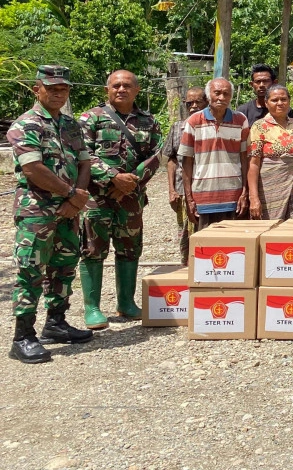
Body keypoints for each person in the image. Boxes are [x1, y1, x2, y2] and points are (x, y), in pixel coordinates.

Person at [8, 66, 92, 363]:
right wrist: (71, 195)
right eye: (52, 88)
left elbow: (84, 163)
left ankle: (55, 323)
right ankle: (22, 337)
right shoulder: (25, 125)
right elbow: (33, 169)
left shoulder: (70, 125)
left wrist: (77, 200)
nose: (58, 93)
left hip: (69, 210)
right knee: (31, 270)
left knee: (64, 266)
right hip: (37, 212)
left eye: (64, 89)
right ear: (37, 89)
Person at [79, 69, 163, 328]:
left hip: (131, 198)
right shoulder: (90, 118)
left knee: (130, 248)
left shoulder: (148, 121)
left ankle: (126, 302)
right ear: (107, 89)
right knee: (93, 249)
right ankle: (92, 308)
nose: (121, 89)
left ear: (137, 90)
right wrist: (114, 177)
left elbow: (157, 154)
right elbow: (82, 154)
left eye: (127, 85)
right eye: (115, 85)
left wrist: (131, 183)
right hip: (97, 198)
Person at [179, 78, 250, 228]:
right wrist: (189, 198)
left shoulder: (240, 120)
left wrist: (244, 192)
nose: (221, 98)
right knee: (205, 245)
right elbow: (187, 162)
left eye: (226, 94)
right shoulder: (193, 121)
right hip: (203, 196)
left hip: (233, 196)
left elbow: (245, 159)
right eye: (217, 93)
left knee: (232, 246)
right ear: (208, 95)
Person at [247, 84, 293, 220]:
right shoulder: (259, 126)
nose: (280, 103)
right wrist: (254, 198)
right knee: (269, 230)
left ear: (289, 101)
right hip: (269, 190)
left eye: (284, 99)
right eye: (274, 100)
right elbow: (253, 163)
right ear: (266, 103)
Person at [163, 87, 207, 266]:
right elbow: (171, 159)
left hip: (207, 189)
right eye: (189, 103)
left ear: (207, 102)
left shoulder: (211, 126)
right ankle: (186, 269)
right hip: (182, 189)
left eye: (198, 102)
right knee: (185, 234)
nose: (193, 106)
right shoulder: (177, 127)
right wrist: (172, 190)